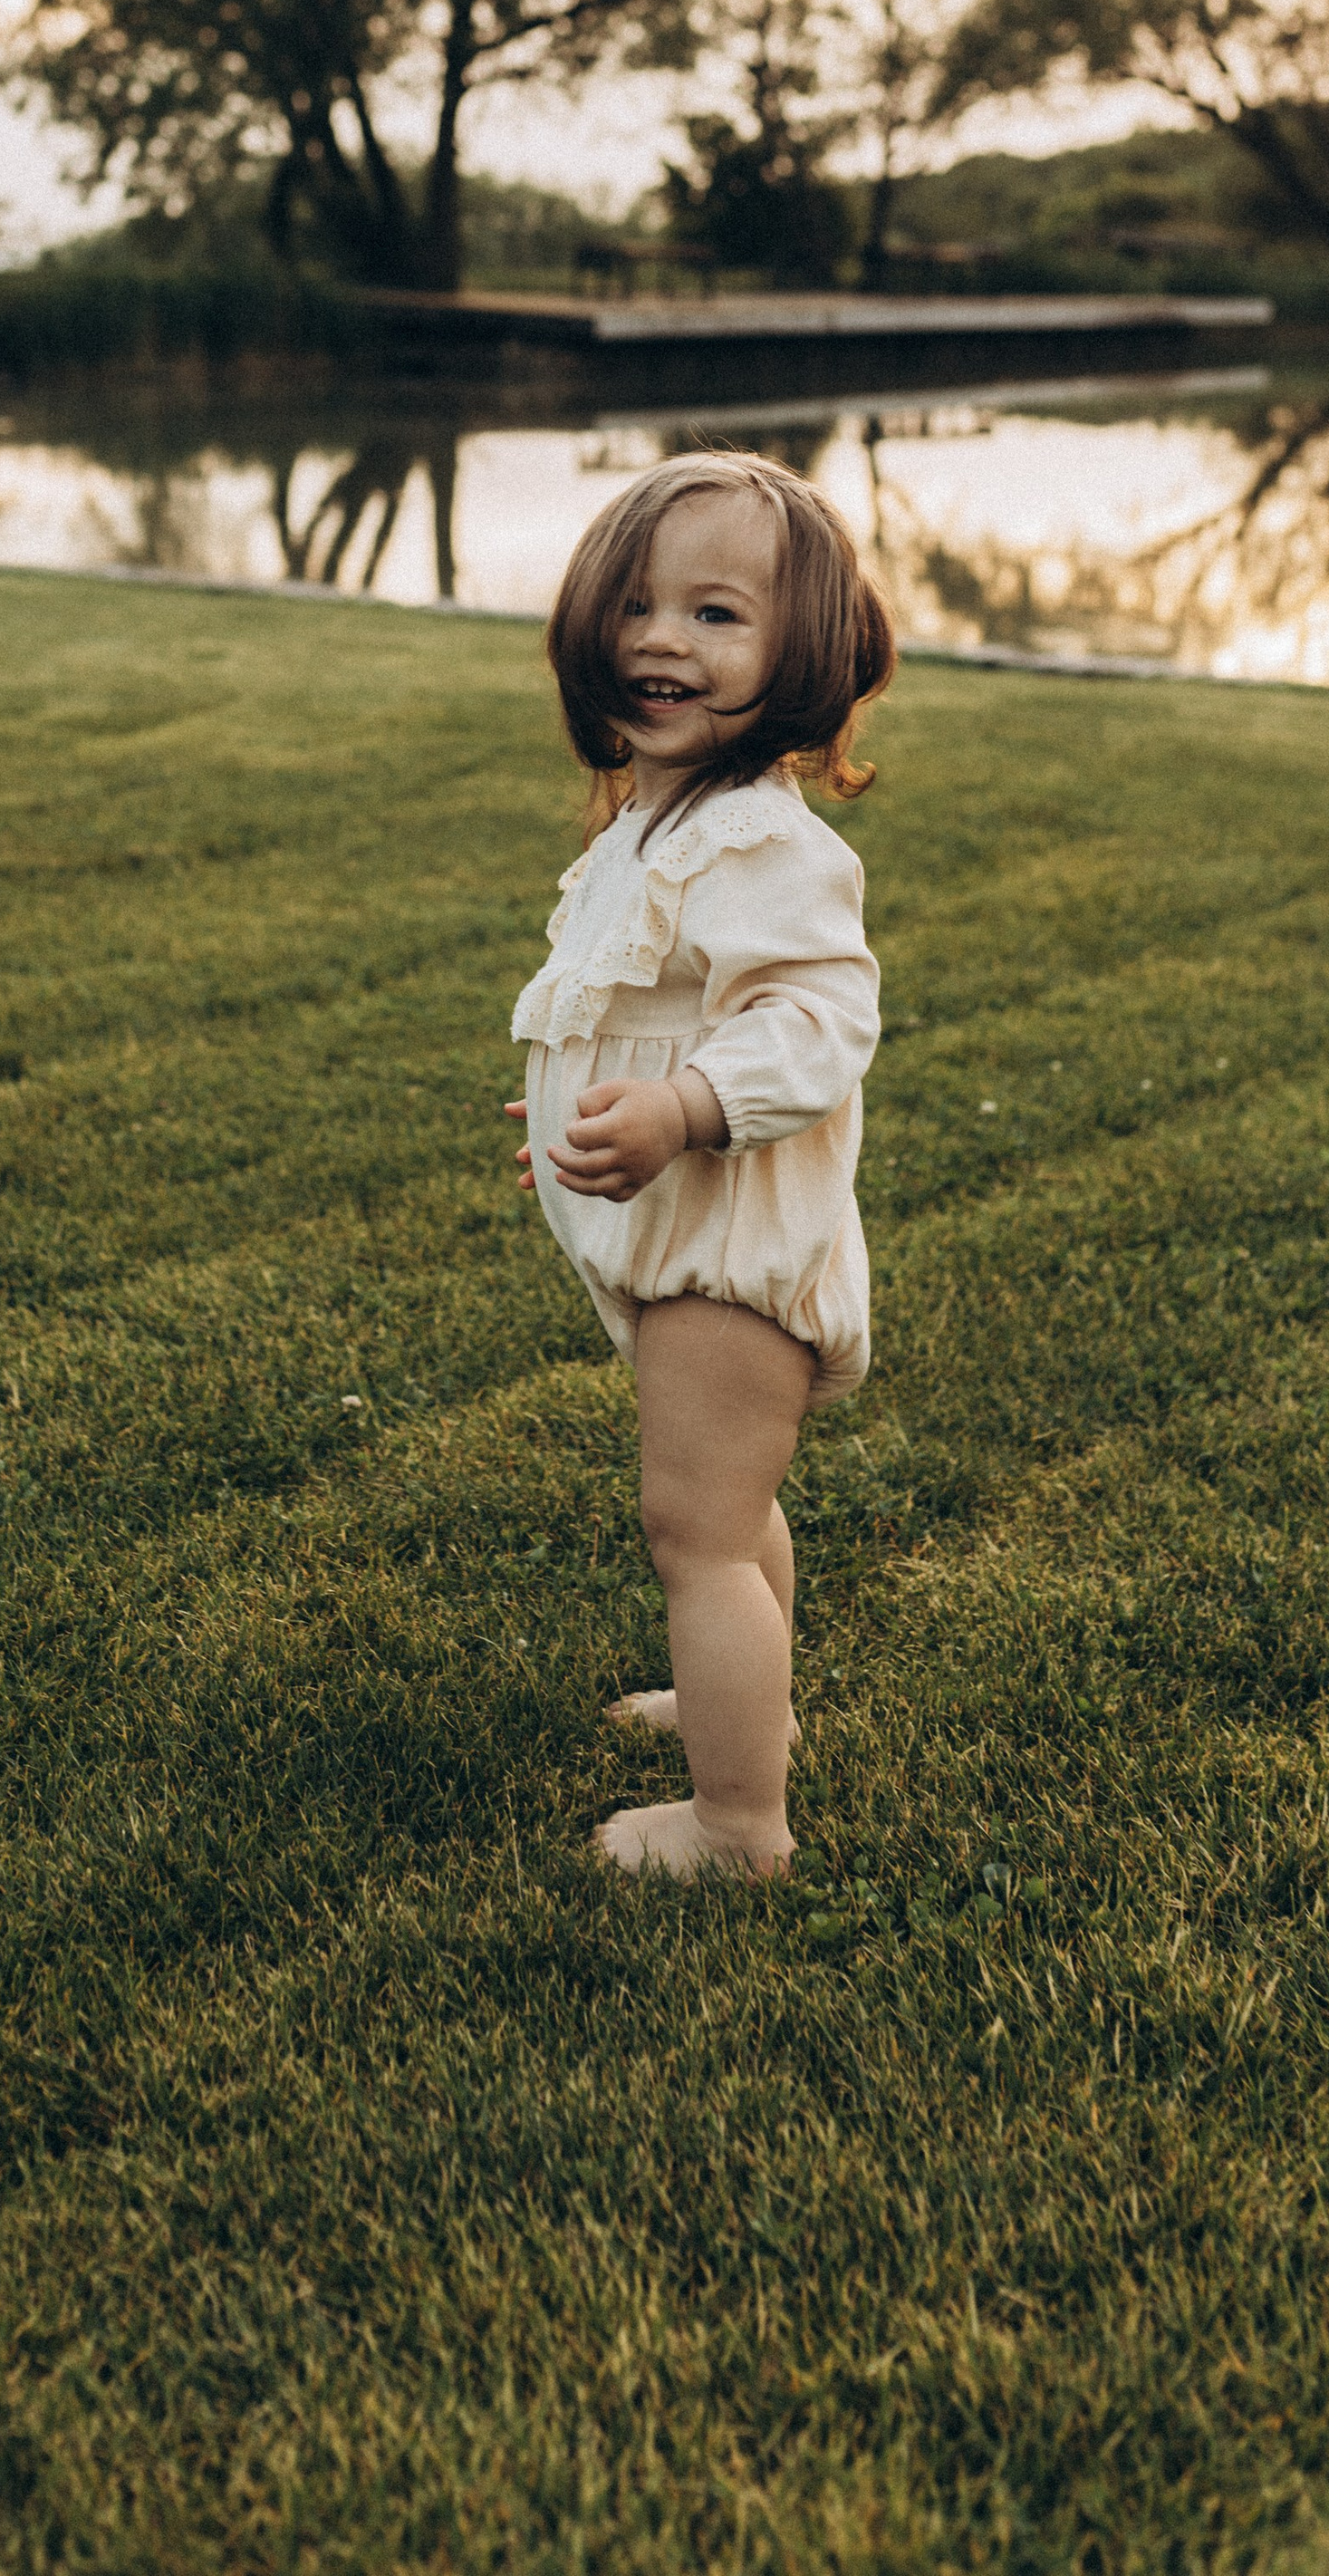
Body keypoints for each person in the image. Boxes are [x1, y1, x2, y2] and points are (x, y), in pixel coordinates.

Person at [507, 450, 895, 1879]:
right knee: (732, 1513)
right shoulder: (656, 817)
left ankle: (739, 1824)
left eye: (719, 616)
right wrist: (577, 1101)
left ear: (804, 654)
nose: (664, 639)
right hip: (684, 1240)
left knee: (699, 1535)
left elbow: (818, 1022)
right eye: (640, 606)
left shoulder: (761, 841)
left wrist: (678, 1112)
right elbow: (635, 1003)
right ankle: (746, 1706)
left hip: (731, 1259)